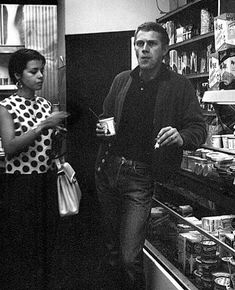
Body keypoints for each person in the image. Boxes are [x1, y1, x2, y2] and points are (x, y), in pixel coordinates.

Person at [95, 22, 207, 290]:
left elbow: (198, 129)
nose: (144, 50)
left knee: (128, 256)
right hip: (108, 169)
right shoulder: (122, 79)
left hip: (141, 178)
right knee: (110, 248)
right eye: (139, 44)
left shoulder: (178, 85)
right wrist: (102, 126)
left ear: (165, 50)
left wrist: (181, 136)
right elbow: (106, 116)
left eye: (151, 44)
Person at [0, 48, 69, 289]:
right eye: (34, 71)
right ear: (19, 75)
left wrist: (58, 133)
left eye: (42, 70)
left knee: (48, 241)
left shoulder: (45, 104)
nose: (40, 76)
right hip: (21, 184)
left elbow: (48, 148)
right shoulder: (6, 107)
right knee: (23, 242)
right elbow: (9, 147)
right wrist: (42, 127)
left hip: (46, 180)